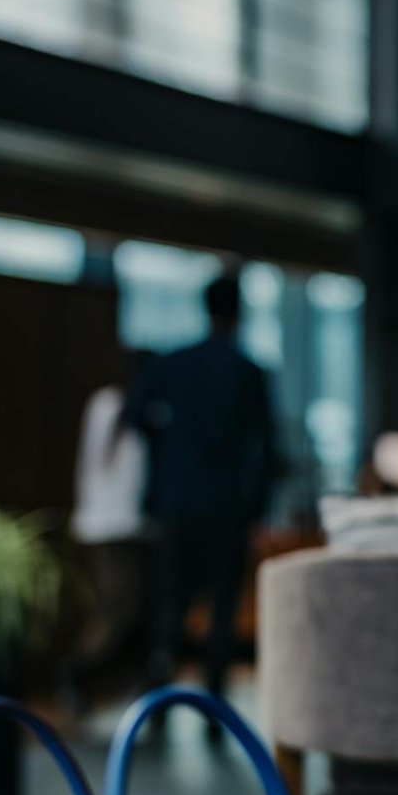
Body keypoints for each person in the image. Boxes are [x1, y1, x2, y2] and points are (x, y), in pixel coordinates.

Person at [129, 275, 278, 704]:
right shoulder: (248, 371)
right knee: (222, 610)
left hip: (176, 501)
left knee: (169, 604)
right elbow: (266, 449)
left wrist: (168, 451)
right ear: (238, 313)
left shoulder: (174, 363)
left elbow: (137, 416)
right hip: (229, 506)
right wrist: (258, 510)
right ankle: (214, 703)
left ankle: (157, 702)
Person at [63, 349, 155, 714]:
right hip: (105, 524)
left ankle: (118, 678)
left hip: (135, 526)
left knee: (134, 605)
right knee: (118, 604)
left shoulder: (145, 412)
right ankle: (76, 670)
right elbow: (96, 465)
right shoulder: (108, 405)